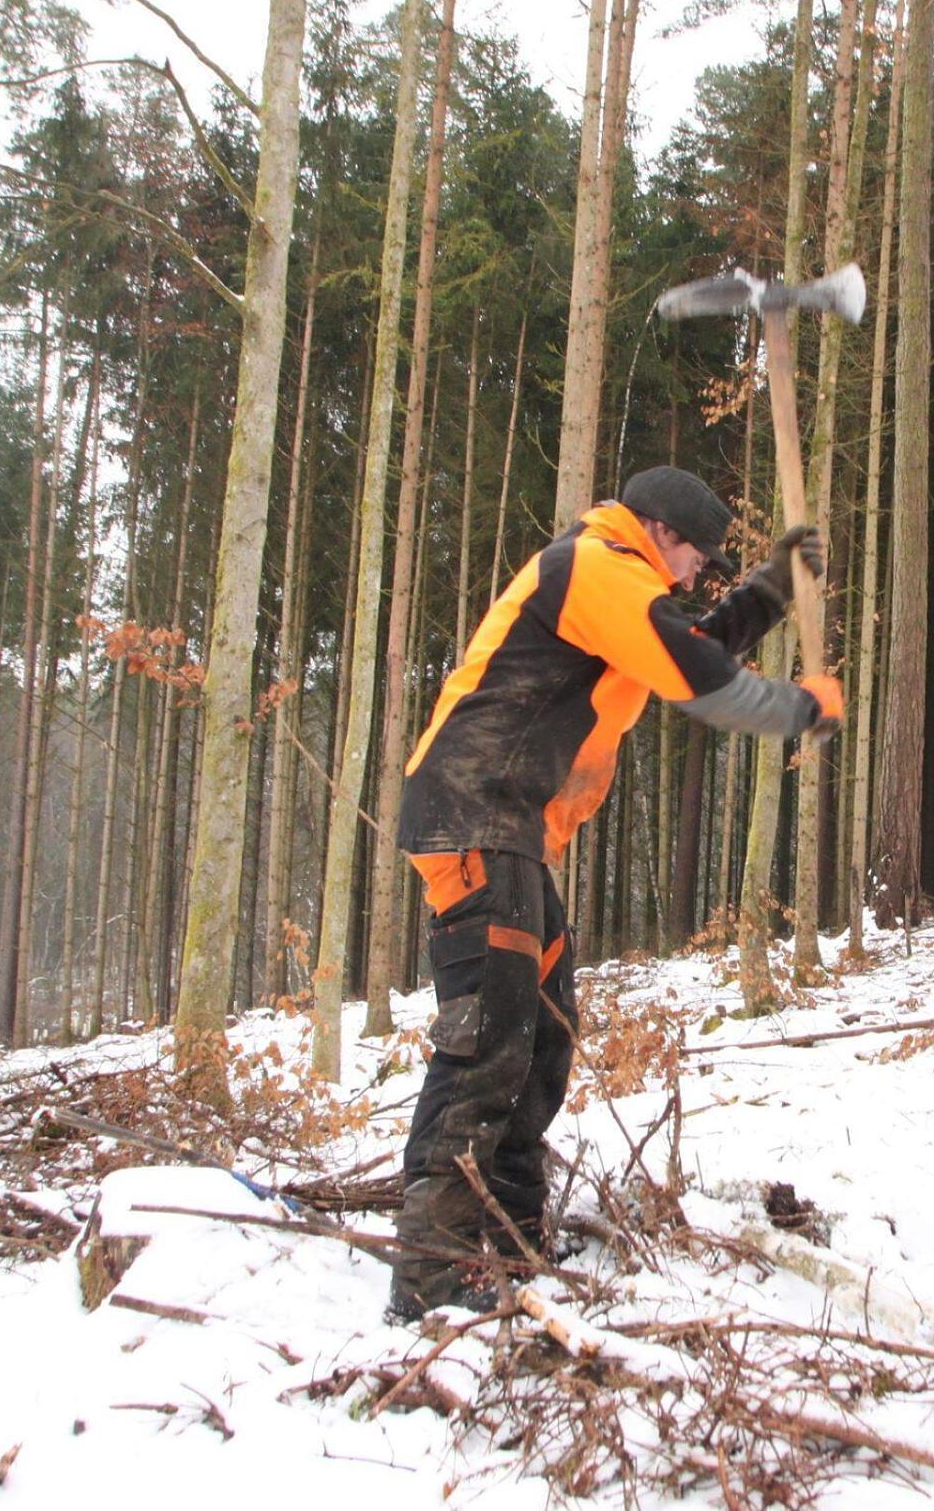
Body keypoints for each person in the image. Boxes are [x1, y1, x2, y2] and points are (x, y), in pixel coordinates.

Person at [388, 465, 841, 1319]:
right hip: (473, 813)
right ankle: (431, 1272)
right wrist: (797, 709)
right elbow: (695, 674)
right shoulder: (597, 569)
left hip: (508, 825)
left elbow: (688, 640)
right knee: (490, 1037)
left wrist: (772, 589)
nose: (694, 577)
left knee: (543, 1031)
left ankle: (511, 1234)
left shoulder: (618, 583)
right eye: (696, 560)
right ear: (661, 533)